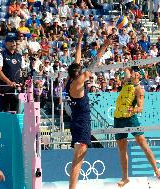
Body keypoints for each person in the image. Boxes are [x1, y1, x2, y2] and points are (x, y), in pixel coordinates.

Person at [66, 30, 112, 189]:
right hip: (81, 122)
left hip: (79, 120)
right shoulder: (77, 83)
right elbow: (94, 62)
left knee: (79, 159)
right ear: (78, 76)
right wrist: (104, 46)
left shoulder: (71, 78)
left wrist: (79, 40)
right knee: (78, 160)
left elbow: (77, 59)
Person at [113, 66, 160, 187]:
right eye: (133, 73)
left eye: (136, 73)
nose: (134, 74)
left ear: (140, 76)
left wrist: (133, 109)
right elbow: (126, 69)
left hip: (130, 118)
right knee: (122, 148)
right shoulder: (126, 82)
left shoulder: (139, 89)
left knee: (143, 144)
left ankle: (156, 169)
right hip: (118, 118)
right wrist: (132, 66)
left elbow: (140, 108)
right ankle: (125, 178)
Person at [0, 35, 25, 112]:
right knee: (5, 110)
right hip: (5, 87)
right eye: (11, 41)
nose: (14, 43)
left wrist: (22, 81)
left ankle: (14, 124)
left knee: (16, 110)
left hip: (16, 87)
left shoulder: (19, 56)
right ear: (6, 43)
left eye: (15, 41)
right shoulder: (1, 55)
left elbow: (23, 71)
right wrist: (8, 82)